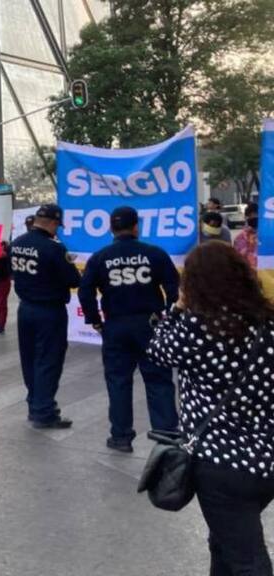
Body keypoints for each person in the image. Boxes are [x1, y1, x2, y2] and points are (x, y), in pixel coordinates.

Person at [147, 242, 274, 575]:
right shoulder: (268, 323)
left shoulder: (196, 328)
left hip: (219, 462)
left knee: (248, 558)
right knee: (225, 541)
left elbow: (158, 350)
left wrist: (176, 309)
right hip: (266, 457)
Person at [78, 206, 180, 453]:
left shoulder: (100, 257)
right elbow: (173, 285)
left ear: (111, 229)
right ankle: (166, 435)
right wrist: (168, 314)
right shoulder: (154, 253)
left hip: (115, 325)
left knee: (118, 382)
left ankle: (121, 437)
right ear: (136, 227)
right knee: (158, 380)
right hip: (150, 325)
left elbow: (85, 291)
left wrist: (95, 320)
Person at [11, 204, 81, 429]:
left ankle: (34, 404)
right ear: (52, 223)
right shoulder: (54, 248)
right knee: (48, 360)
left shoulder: (17, 243)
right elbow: (73, 280)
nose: (57, 230)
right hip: (49, 312)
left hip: (25, 309)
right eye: (57, 226)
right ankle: (45, 412)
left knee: (30, 359)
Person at [234, 202, 259, 269]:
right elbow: (237, 258)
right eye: (251, 215)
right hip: (249, 274)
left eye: (257, 214)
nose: (254, 217)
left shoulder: (269, 235)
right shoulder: (241, 237)